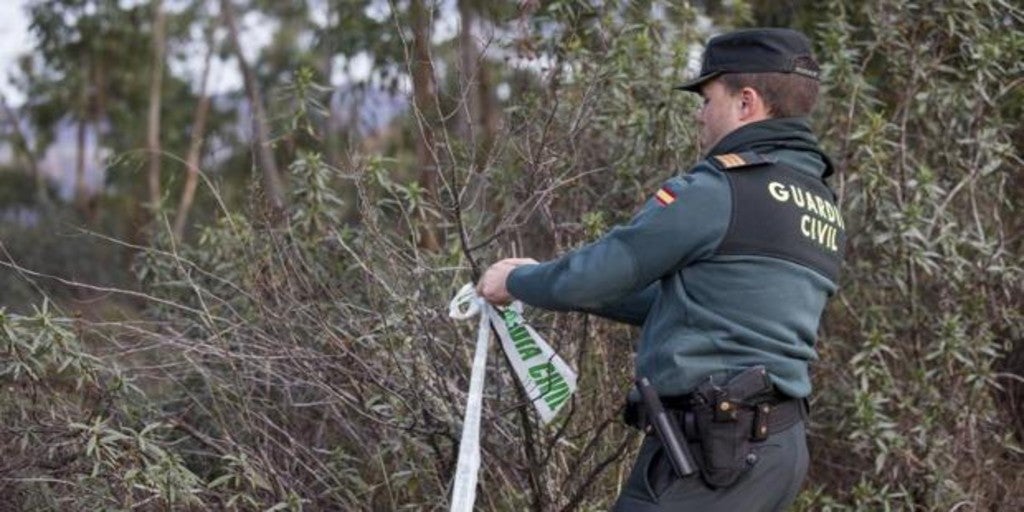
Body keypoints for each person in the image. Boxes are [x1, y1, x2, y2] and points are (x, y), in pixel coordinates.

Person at [477, 28, 845, 511]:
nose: (700, 114)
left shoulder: (722, 188)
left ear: (746, 103)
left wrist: (517, 280)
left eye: (708, 98)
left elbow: (596, 274)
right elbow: (698, 305)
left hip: (715, 453)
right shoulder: (820, 204)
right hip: (778, 450)